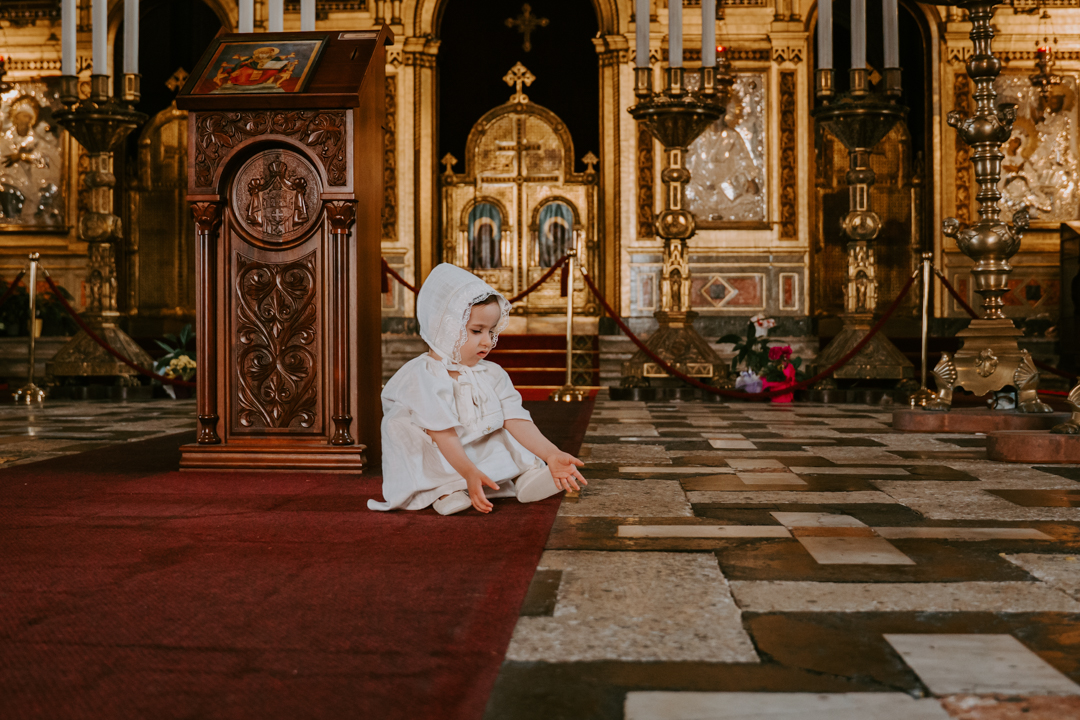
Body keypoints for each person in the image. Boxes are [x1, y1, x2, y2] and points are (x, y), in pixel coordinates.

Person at [369, 263, 587, 515]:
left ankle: (524, 475)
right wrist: (468, 471)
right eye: (476, 331)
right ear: (444, 326)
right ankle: (445, 489)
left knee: (498, 427)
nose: (487, 341)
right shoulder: (422, 376)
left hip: (470, 446)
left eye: (491, 331)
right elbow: (442, 433)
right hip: (442, 450)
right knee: (404, 427)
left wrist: (551, 453)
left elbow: (516, 419)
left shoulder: (491, 373)